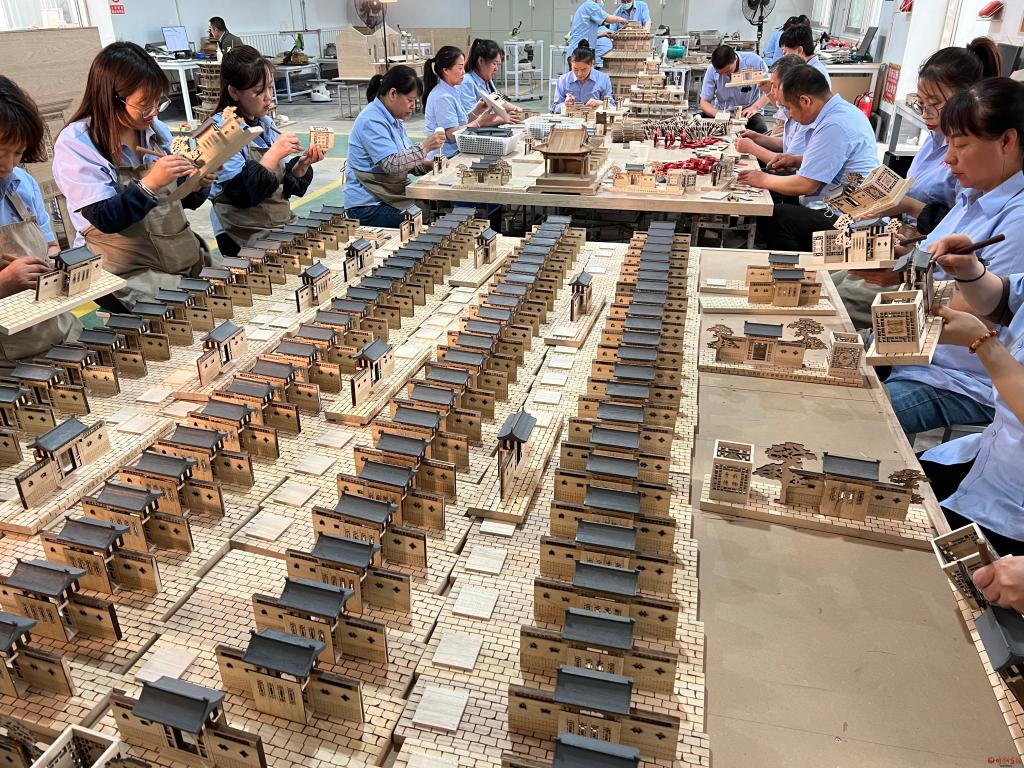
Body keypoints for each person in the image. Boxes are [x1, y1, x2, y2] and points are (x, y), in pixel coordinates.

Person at [879, 78, 1024, 437]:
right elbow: (933, 262)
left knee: (860, 419)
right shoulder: (974, 193)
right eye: (948, 144)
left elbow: (976, 311)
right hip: (915, 349)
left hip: (958, 377)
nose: (948, 158)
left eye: (961, 144)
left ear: (1007, 141)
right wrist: (900, 261)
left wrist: (901, 278)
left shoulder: (1018, 218)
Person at [834, 38, 1002, 329]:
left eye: (934, 105)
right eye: (921, 104)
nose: (949, 158)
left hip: (932, 282)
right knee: (831, 275)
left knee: (837, 296)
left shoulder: (987, 187)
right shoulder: (937, 143)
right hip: (916, 255)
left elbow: (980, 306)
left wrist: (909, 268)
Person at [53, 42, 214, 310]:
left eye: (158, 102)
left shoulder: (156, 131)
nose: (154, 112)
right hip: (124, 270)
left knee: (227, 287)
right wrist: (150, 183)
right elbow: (106, 218)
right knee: (188, 311)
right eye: (143, 104)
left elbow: (179, 203)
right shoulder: (78, 143)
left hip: (176, 254)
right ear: (111, 99)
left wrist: (196, 184)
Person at [914, 233, 1024, 556]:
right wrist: (970, 271)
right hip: (984, 455)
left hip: (1010, 507)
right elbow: (1006, 298)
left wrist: (984, 344)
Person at [737, 65, 879, 250]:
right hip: (840, 202)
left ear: (805, 101)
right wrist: (799, 160)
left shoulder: (834, 125)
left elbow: (805, 185)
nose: (790, 115)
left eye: (789, 108)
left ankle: (792, 266)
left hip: (849, 217)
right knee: (779, 187)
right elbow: (833, 159)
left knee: (777, 216)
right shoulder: (839, 112)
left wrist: (762, 179)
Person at [208, 46, 325, 257]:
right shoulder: (220, 131)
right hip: (242, 232)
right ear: (234, 92)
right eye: (258, 92)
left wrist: (301, 166)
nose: (268, 97)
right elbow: (240, 194)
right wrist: (273, 155)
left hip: (277, 223)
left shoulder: (265, 123)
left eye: (270, 88)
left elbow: (282, 186)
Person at [0, 76, 81, 366]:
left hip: (55, 329)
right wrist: (4, 283)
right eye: (1, 153)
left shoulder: (22, 184)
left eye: (18, 153)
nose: (9, 165)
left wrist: (59, 266)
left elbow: (49, 247)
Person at [344, 66, 445, 228]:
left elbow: (405, 160)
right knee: (424, 217)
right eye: (410, 100)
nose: (413, 106)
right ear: (393, 94)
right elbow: (392, 165)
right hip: (368, 206)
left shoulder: (394, 120)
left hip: (387, 197)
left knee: (433, 207)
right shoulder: (371, 120)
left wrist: (430, 164)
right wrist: (425, 147)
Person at [424, 46, 502, 160]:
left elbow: (460, 123)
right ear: (446, 70)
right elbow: (452, 135)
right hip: (446, 156)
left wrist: (476, 111)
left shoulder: (452, 90)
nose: (463, 72)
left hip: (456, 151)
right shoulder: (442, 97)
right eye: (460, 68)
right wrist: (480, 122)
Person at [733, 55, 809, 165]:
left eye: (774, 86)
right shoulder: (792, 110)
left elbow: (790, 163)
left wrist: (751, 147)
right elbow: (787, 145)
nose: (772, 91)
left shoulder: (806, 118)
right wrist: (756, 137)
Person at [699, 45, 771, 133]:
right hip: (723, 111)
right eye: (720, 73)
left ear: (735, 59)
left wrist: (754, 108)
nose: (724, 75)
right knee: (695, 121)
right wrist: (716, 113)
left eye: (727, 71)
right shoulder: (711, 70)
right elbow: (704, 102)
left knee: (761, 130)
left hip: (749, 111)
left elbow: (770, 90)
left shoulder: (755, 62)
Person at [458, 38, 523, 123]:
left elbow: (498, 101)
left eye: (498, 65)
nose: (496, 68)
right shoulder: (467, 82)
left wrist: (517, 109)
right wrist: (502, 119)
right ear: (481, 61)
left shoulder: (487, 81)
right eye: (494, 64)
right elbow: (470, 117)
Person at [552, 42, 615, 114]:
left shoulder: (603, 79)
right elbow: (555, 108)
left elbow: (612, 106)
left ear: (592, 64)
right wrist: (564, 105)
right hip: (571, 119)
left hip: (593, 118)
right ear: (571, 64)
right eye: (575, 69)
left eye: (584, 69)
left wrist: (599, 103)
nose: (579, 74)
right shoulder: (563, 80)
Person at [566, 0, 629, 66]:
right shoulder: (591, 5)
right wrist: (621, 19)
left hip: (580, 52)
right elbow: (607, 18)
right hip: (579, 53)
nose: (602, 1)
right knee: (581, 72)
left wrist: (602, 34)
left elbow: (585, 33)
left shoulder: (586, 6)